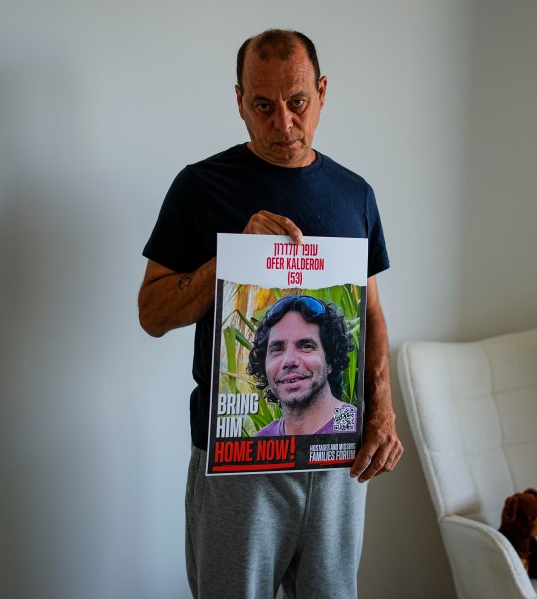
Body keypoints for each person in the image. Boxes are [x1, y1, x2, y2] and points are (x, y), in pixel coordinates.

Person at [137, 29, 402, 599]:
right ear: (239, 101)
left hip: (337, 460)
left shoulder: (355, 194)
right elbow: (152, 310)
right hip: (238, 463)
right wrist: (230, 257)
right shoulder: (199, 186)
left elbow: (372, 312)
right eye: (263, 106)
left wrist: (382, 410)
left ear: (323, 93)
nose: (282, 123)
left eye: (298, 102)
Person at [249, 295, 358, 437]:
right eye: (277, 349)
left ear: (330, 360)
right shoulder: (262, 440)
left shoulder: (356, 426)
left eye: (306, 346)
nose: (289, 361)